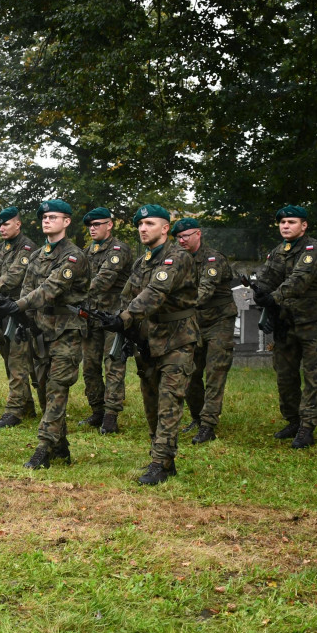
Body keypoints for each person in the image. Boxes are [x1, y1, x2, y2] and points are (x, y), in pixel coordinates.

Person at [103, 204, 198, 485]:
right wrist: (121, 323)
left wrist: (126, 317)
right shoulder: (142, 261)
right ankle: (164, 459)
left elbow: (155, 293)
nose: (144, 229)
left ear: (165, 228)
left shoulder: (177, 258)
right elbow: (128, 293)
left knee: (170, 402)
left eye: (151, 224)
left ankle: (159, 462)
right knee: (152, 402)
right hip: (148, 341)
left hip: (178, 340)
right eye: (140, 225)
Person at [0, 200, 90, 468]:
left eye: (53, 217)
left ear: (66, 222)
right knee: (45, 389)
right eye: (45, 217)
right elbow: (27, 289)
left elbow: (51, 288)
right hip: (41, 330)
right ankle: (60, 446)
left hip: (66, 331)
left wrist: (18, 305)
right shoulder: (37, 255)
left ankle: (44, 447)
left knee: (57, 388)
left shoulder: (74, 256)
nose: (47, 221)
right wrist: (18, 312)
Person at [255, 205, 317, 449]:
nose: (285, 226)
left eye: (291, 222)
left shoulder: (314, 250)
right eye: (282, 222)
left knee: (314, 376)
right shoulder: (278, 251)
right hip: (286, 323)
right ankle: (293, 420)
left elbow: (299, 279)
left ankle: (307, 427)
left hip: (314, 323)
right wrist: (260, 293)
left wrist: (273, 298)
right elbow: (267, 277)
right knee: (285, 376)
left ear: (304, 225)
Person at [171, 218, 237, 444]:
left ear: (198, 234)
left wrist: (175, 305)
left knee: (215, 373)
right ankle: (198, 418)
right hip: (195, 323)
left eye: (185, 236)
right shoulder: (178, 260)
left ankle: (208, 425)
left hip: (219, 322)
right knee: (190, 372)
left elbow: (204, 292)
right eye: (178, 237)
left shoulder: (213, 259)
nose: (181, 241)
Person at [78, 207, 133, 434]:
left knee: (113, 366)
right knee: (90, 367)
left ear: (109, 225)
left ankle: (111, 416)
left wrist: (73, 292)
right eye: (90, 225)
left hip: (113, 317)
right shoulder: (86, 252)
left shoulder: (118, 250)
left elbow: (103, 280)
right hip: (91, 317)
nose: (93, 228)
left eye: (97, 224)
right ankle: (97, 411)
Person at [0, 206, 39, 428]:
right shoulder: (0, 249)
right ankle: (26, 406)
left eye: (6, 224)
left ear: (18, 224)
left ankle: (14, 410)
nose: (1, 228)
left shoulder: (27, 248)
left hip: (19, 313)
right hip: (1, 313)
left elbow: (14, 277)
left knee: (18, 361)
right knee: (8, 359)